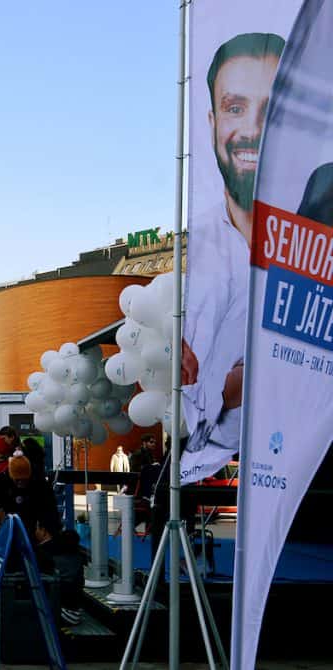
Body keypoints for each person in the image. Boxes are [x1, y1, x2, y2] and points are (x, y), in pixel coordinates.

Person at [182, 32, 286, 476]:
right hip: (242, 484)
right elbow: (192, 418)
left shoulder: (318, 234)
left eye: (271, 111)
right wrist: (228, 391)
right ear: (211, 122)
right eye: (235, 107)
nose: (250, 130)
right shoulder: (201, 248)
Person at [0, 452, 61, 539]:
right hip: (10, 526)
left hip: (34, 525)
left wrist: (49, 530)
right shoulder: (1, 482)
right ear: (11, 476)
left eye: (24, 480)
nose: (21, 483)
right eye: (17, 480)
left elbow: (50, 509)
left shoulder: (39, 482)